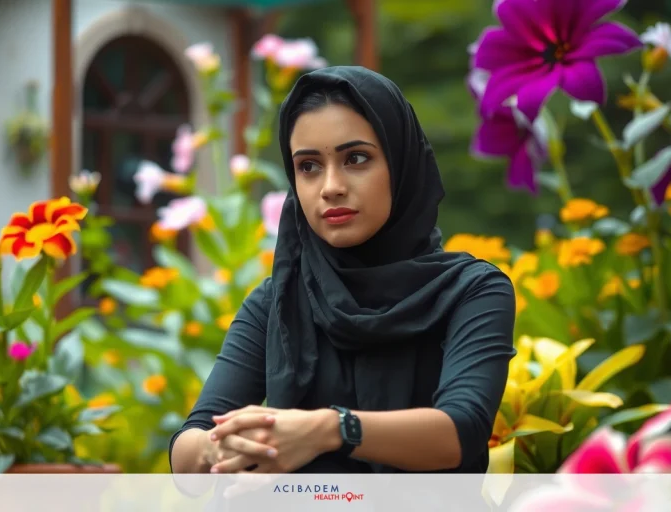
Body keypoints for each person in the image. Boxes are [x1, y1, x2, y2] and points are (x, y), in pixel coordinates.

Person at [169, 66, 516, 475]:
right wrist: (218, 448)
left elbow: (461, 430)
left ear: (401, 164)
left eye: (356, 158)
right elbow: (188, 448)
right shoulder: (277, 301)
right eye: (309, 166)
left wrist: (330, 429)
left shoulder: (470, 291)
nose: (330, 186)